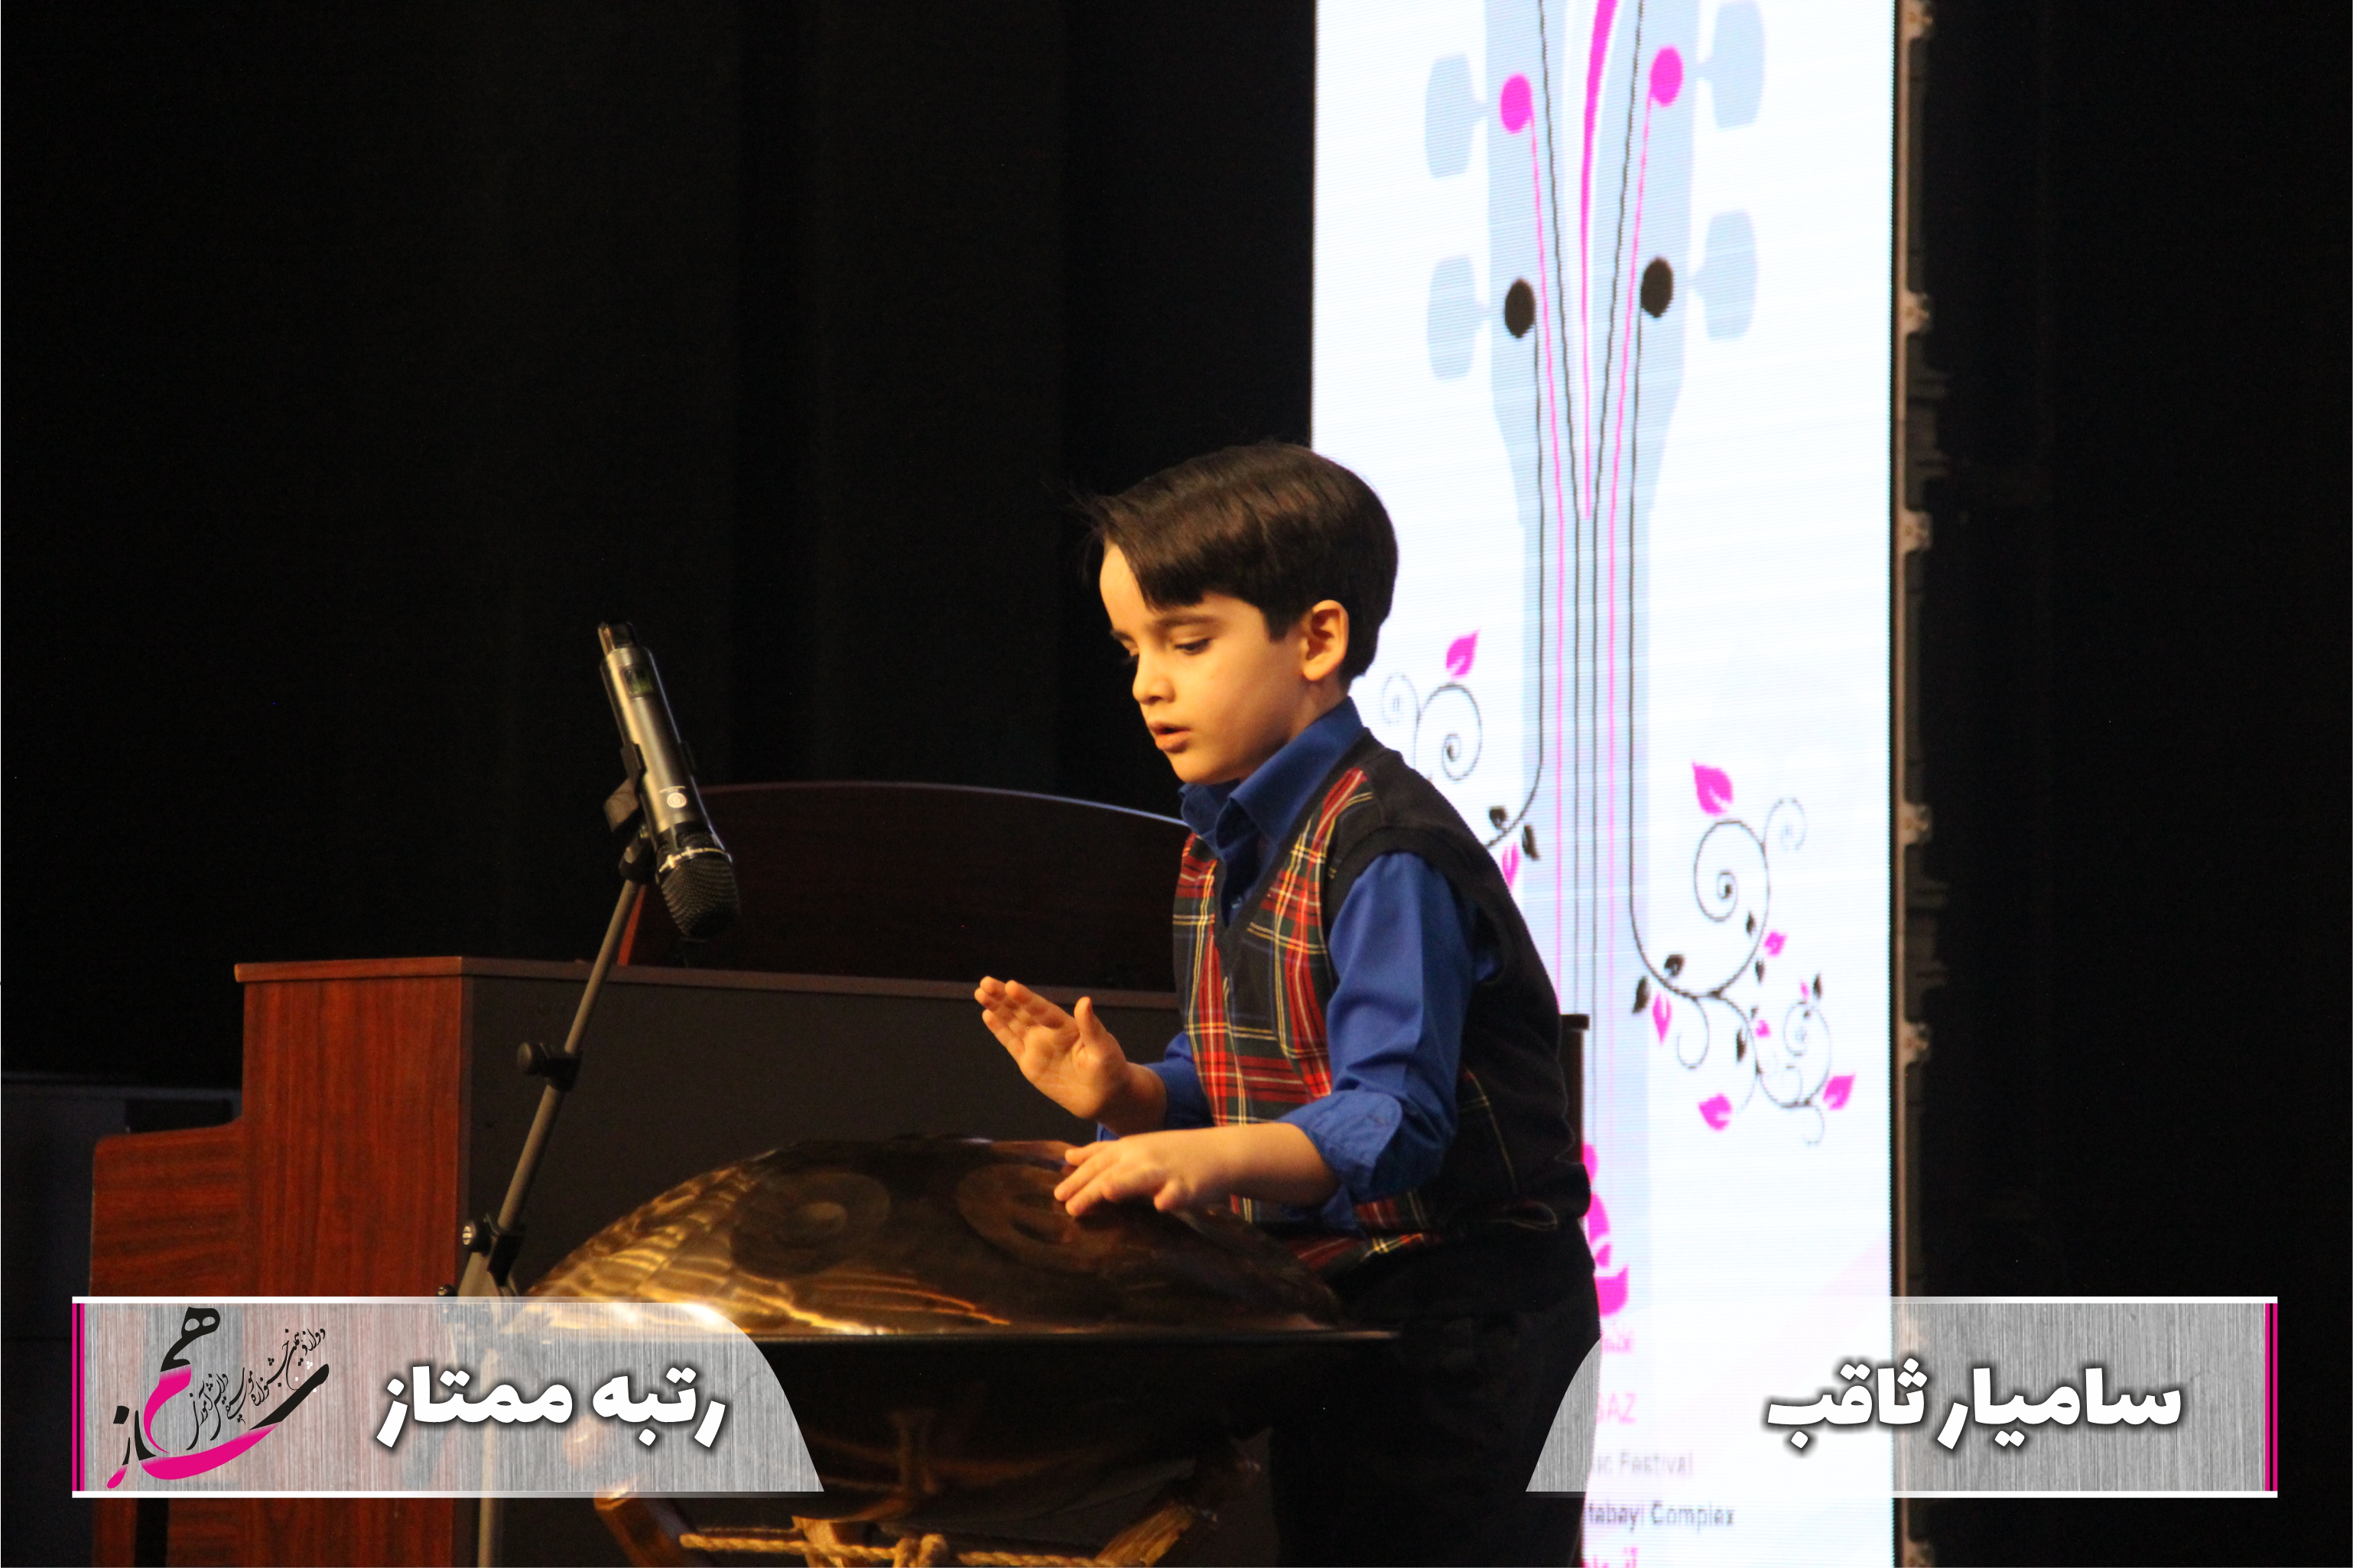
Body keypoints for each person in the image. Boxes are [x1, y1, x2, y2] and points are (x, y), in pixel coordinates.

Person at [975, 443, 1596, 1566]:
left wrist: (1206, 1159)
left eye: (1187, 642)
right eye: (1130, 649)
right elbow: (1257, 1063)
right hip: (1347, 1314)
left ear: (1316, 640)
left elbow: (1390, 1117)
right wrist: (1135, 1094)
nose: (1146, 684)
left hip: (1470, 1331)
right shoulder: (1227, 836)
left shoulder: (1387, 848)